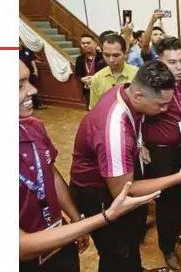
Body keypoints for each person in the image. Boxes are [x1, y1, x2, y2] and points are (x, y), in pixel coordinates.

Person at [18, 59, 160, 271]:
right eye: (20, 85)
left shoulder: (34, 127)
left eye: (28, 80)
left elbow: (50, 173)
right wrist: (104, 217)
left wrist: (76, 220)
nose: (33, 90)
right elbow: (20, 247)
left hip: (59, 238)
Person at [68, 61, 181, 272]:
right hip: (98, 193)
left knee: (130, 238)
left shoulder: (124, 90)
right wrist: (178, 178)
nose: (166, 109)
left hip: (116, 177)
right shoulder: (114, 130)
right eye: (161, 104)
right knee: (117, 252)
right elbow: (123, 192)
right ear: (139, 96)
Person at [140, 37, 181, 270]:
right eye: (172, 62)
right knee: (165, 203)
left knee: (179, 199)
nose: (179, 67)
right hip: (158, 154)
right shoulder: (149, 88)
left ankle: (174, 234)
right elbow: (133, 119)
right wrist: (139, 144)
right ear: (160, 62)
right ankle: (167, 248)